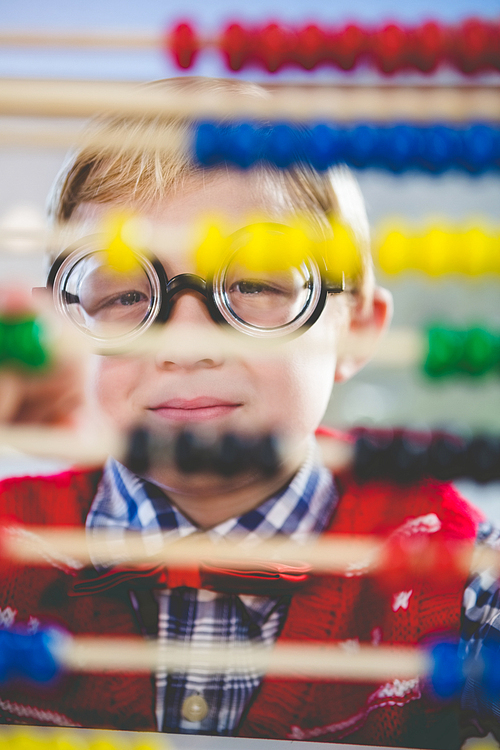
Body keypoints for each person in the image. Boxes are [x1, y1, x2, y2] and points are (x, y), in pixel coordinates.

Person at [0, 77, 486, 747]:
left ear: (359, 328)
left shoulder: (455, 571)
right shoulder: (9, 548)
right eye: (120, 297)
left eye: (254, 284)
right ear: (62, 328)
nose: (188, 341)